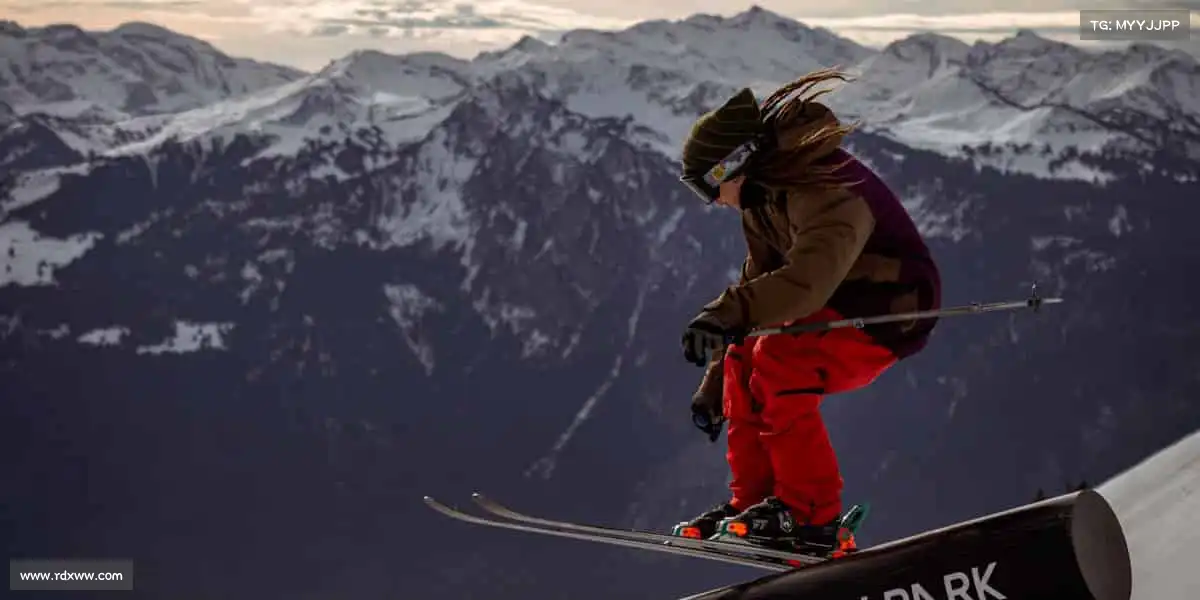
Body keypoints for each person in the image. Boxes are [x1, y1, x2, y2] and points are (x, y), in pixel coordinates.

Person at [671, 68, 942, 556]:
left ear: (730, 166)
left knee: (781, 358)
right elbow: (759, 289)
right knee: (747, 358)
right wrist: (717, 384)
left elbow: (807, 283)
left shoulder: (825, 183)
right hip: (835, 302)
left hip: (890, 309)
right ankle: (755, 505)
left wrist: (725, 313)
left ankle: (811, 514)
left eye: (706, 189)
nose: (711, 203)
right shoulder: (763, 199)